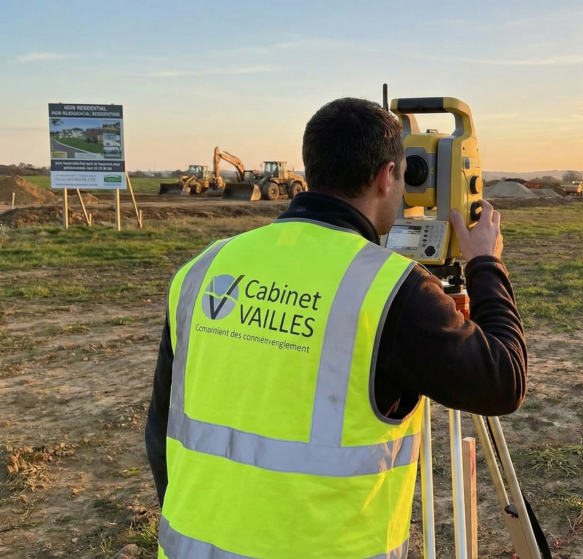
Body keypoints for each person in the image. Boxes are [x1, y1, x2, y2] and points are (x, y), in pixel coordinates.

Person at [145, 98, 528, 559]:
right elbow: (504, 382)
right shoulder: (392, 292)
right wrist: (486, 264)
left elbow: (161, 426)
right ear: (387, 176)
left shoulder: (205, 267)